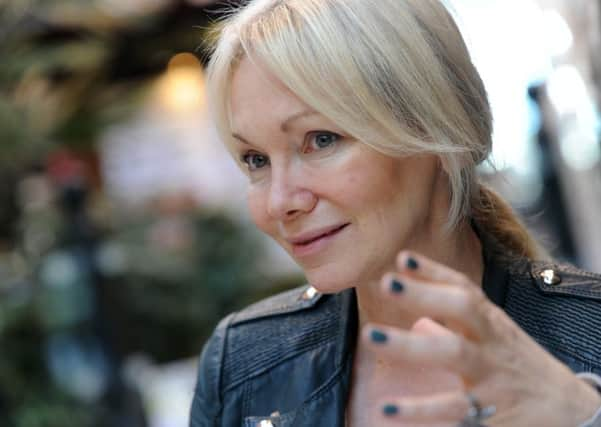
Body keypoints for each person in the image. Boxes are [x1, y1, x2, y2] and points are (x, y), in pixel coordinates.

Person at [190, 0, 601, 425]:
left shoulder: (592, 333)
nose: (279, 202)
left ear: (439, 127)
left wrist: (586, 415)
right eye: (256, 160)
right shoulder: (241, 367)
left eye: (322, 139)